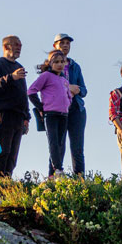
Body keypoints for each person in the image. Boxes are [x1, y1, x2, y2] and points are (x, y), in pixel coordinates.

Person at [0, 35, 30, 178]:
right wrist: (11, 77)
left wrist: (26, 117)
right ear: (5, 47)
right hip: (2, 114)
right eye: (15, 44)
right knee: (0, 151)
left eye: (20, 45)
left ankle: (6, 183)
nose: (19, 48)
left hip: (18, 116)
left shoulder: (19, 67)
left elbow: (23, 93)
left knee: (12, 155)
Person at [27, 49, 73, 178]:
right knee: (53, 141)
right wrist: (41, 107)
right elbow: (31, 91)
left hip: (63, 114)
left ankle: (51, 174)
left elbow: (69, 96)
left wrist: (68, 104)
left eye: (62, 62)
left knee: (60, 144)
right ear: (50, 63)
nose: (59, 64)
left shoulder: (64, 80)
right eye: (56, 62)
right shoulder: (46, 76)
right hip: (50, 114)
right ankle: (58, 169)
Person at [52, 33, 87, 177]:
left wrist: (76, 89)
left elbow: (84, 90)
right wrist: (67, 88)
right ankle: (54, 176)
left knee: (77, 147)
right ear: (55, 46)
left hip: (76, 109)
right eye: (62, 43)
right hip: (57, 110)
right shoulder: (50, 66)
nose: (65, 45)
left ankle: (79, 179)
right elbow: (45, 88)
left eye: (67, 43)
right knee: (57, 145)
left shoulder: (75, 66)